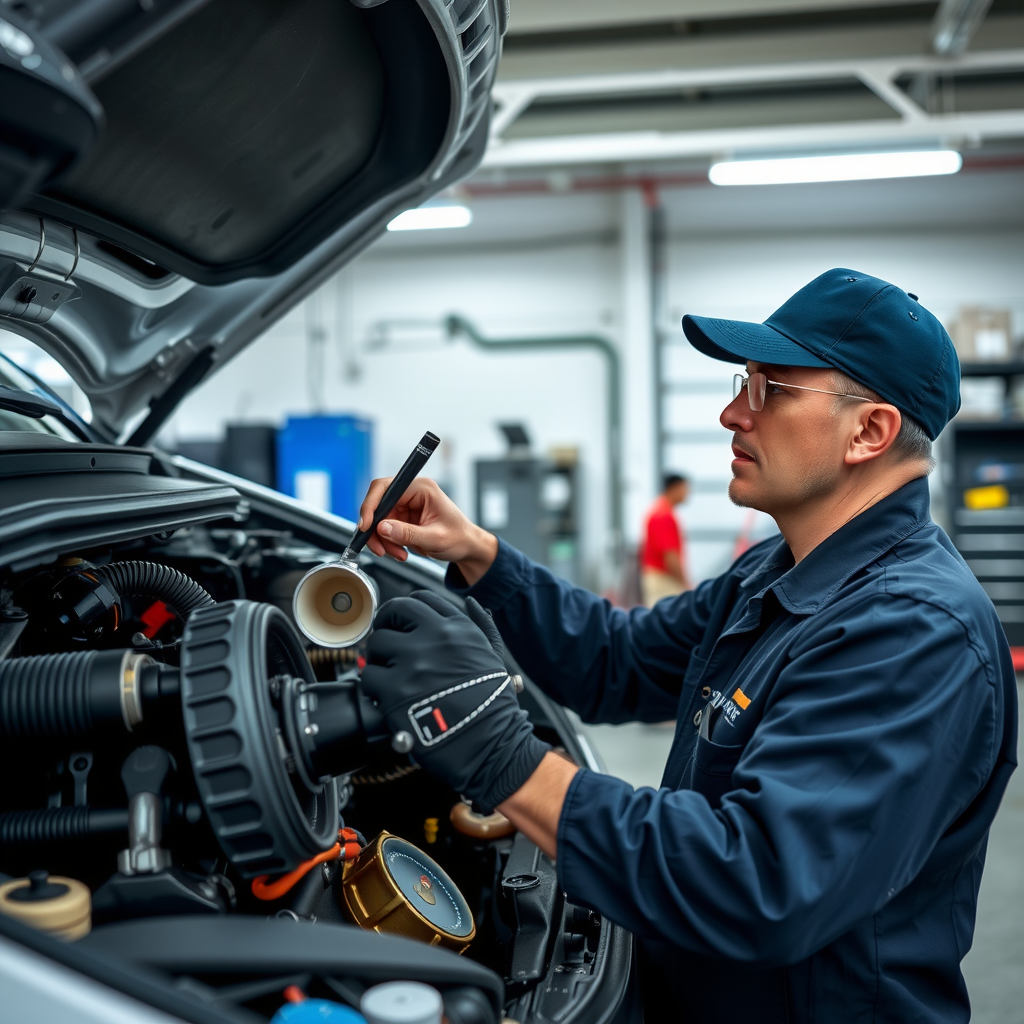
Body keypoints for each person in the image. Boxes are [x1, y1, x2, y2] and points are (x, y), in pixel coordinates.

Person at [356, 269, 1018, 1024]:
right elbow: (617, 659)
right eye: (745, 381)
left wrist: (502, 757)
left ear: (869, 431)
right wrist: (475, 551)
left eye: (771, 389)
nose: (733, 411)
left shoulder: (913, 631)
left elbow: (759, 885)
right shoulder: (773, 571)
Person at [640, 472, 692, 606]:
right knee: (664, 621)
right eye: (684, 488)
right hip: (663, 578)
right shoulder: (663, 515)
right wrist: (685, 582)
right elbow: (669, 554)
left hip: (661, 577)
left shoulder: (661, 510)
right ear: (674, 488)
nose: (687, 493)